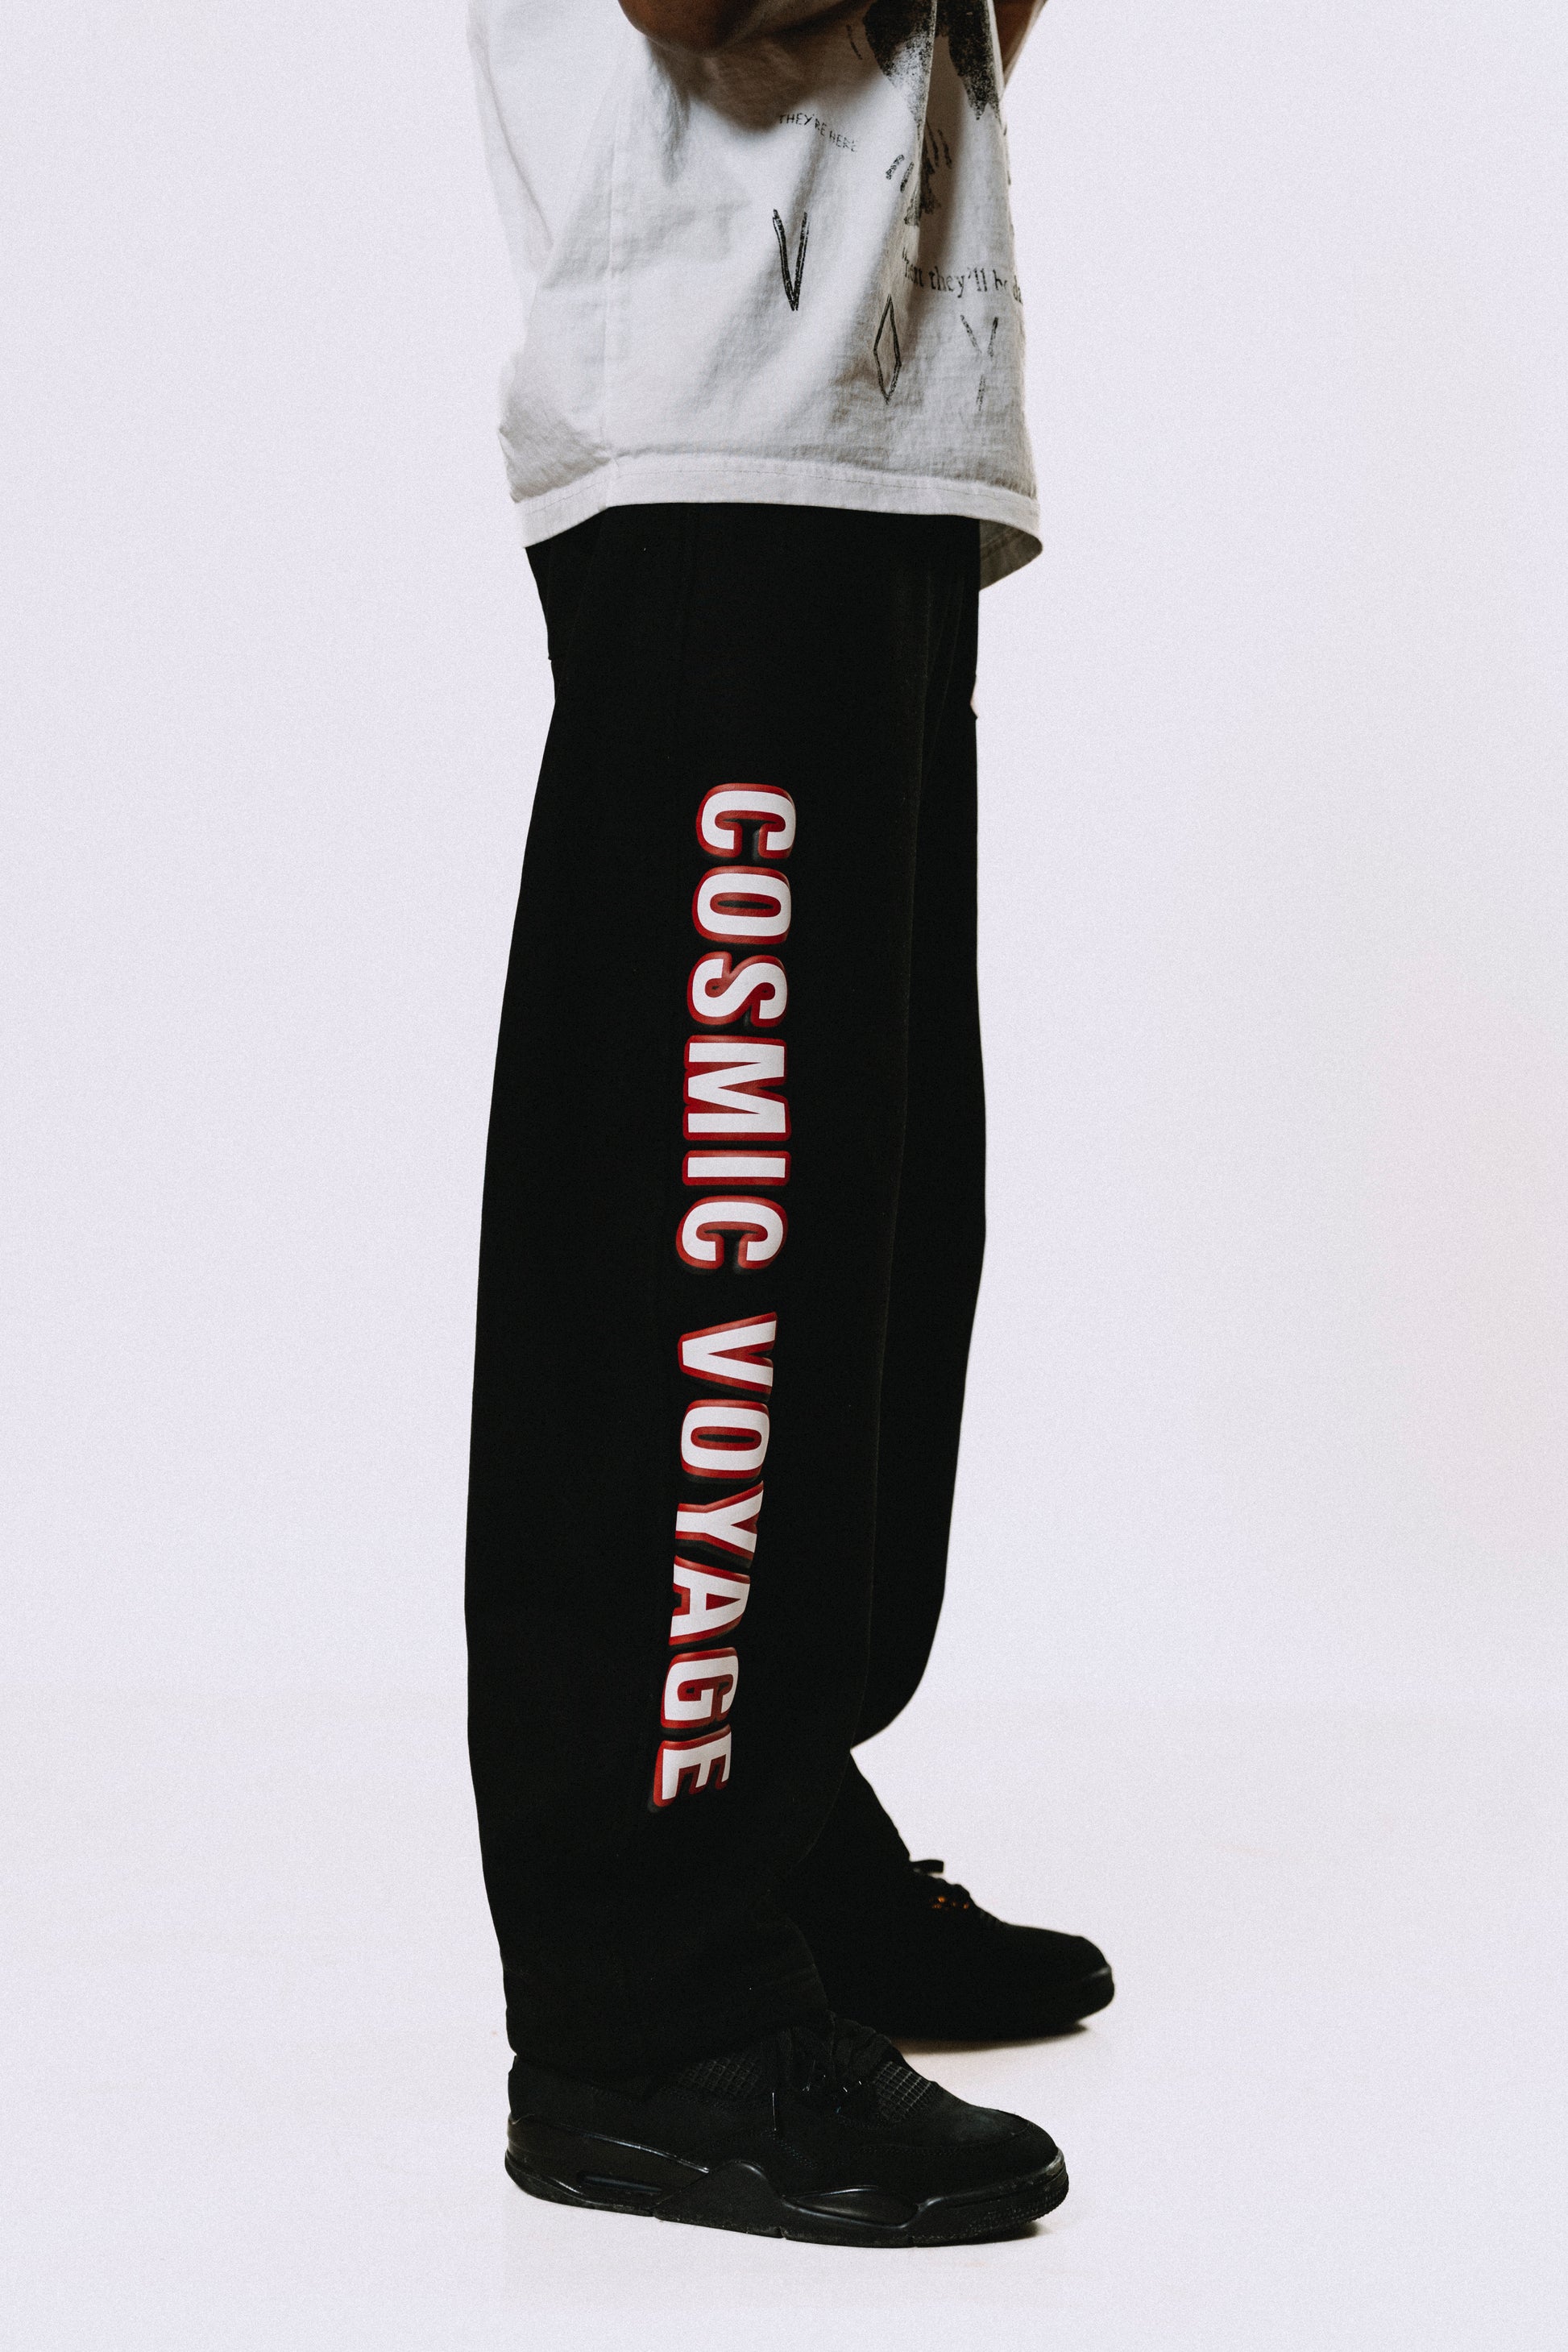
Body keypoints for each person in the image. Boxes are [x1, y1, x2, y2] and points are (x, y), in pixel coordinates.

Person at [463, 0, 1112, 2246]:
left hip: (875, 431)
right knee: (708, 1237)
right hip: (712, 430)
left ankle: (768, 1808)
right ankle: (648, 2012)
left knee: (867, 1224)